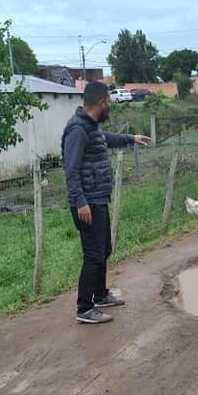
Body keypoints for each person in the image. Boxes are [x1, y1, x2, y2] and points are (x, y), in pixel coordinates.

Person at [62, 81, 150, 324]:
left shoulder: (91, 127)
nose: (110, 105)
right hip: (87, 203)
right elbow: (71, 170)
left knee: (104, 250)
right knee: (93, 255)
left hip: (97, 199)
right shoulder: (78, 130)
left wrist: (131, 138)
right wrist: (80, 202)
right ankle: (84, 308)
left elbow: (106, 138)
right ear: (101, 101)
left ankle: (100, 295)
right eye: (109, 101)